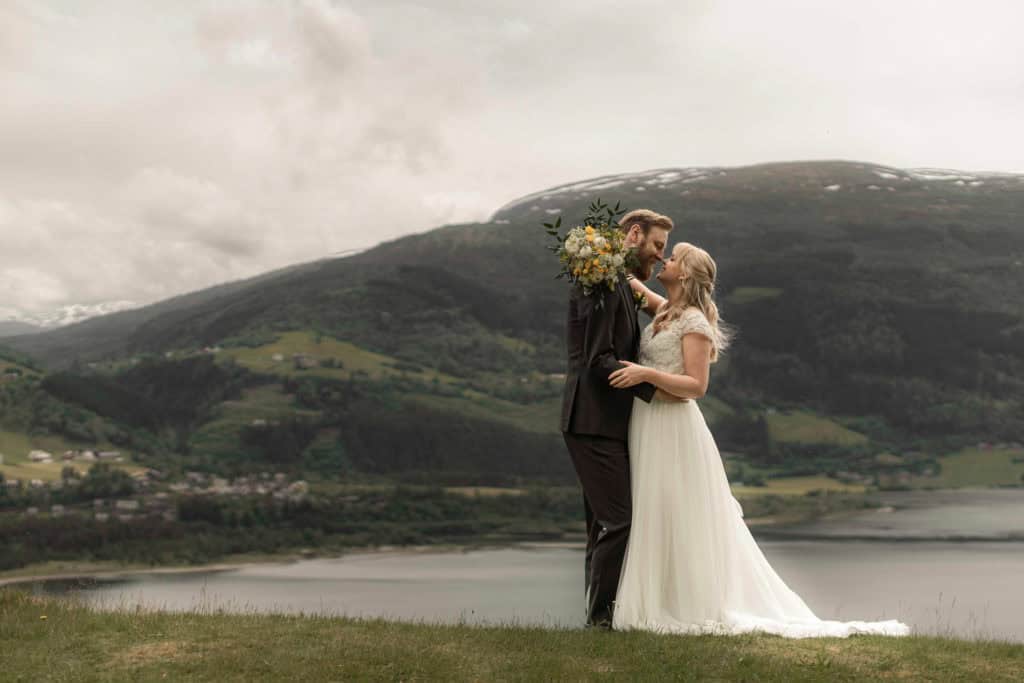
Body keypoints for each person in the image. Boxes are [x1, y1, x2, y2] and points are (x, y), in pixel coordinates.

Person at [607, 242, 910, 638]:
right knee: (654, 507)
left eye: (674, 257)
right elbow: (627, 281)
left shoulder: (694, 321)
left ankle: (683, 603)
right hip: (648, 421)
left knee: (674, 508)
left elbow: (697, 386)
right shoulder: (665, 310)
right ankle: (659, 597)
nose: (665, 259)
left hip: (674, 427)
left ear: (685, 274)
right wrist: (604, 252)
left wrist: (645, 374)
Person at [560, 208, 676, 628]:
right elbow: (598, 360)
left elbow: (671, 313)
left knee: (602, 526)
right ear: (635, 234)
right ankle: (601, 621)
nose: (660, 256)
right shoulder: (602, 282)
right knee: (619, 521)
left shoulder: (620, 281)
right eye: (657, 245)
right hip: (591, 421)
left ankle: (598, 620)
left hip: (607, 423)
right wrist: (655, 390)